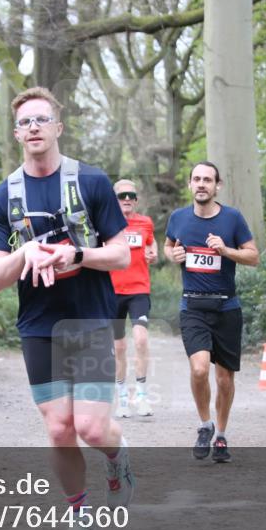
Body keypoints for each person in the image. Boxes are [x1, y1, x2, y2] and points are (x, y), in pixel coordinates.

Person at [0, 87, 135, 530]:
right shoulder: (2, 197)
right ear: (16, 133)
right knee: (58, 429)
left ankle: (116, 454)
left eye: (41, 120)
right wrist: (24, 250)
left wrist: (78, 254)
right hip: (39, 325)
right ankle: (80, 518)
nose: (33, 128)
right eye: (25, 122)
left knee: (90, 428)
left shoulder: (91, 182)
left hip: (89, 318)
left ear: (57, 127)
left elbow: (123, 255)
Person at [163, 161, 259, 463]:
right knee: (200, 368)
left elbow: (253, 256)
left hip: (226, 307)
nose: (201, 184)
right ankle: (205, 424)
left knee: (224, 379)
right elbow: (167, 245)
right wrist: (172, 254)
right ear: (190, 185)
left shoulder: (232, 219)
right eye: (196, 179)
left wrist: (226, 251)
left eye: (208, 180)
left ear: (217, 186)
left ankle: (221, 435)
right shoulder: (178, 218)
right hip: (192, 305)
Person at [109, 179, 158, 418]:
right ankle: (122, 400)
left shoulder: (145, 223)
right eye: (121, 196)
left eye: (131, 195)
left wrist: (154, 251)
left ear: (136, 200)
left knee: (140, 340)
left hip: (139, 290)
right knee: (119, 348)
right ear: (114, 200)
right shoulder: (105, 224)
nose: (126, 199)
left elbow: (151, 242)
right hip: (113, 293)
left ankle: (141, 395)